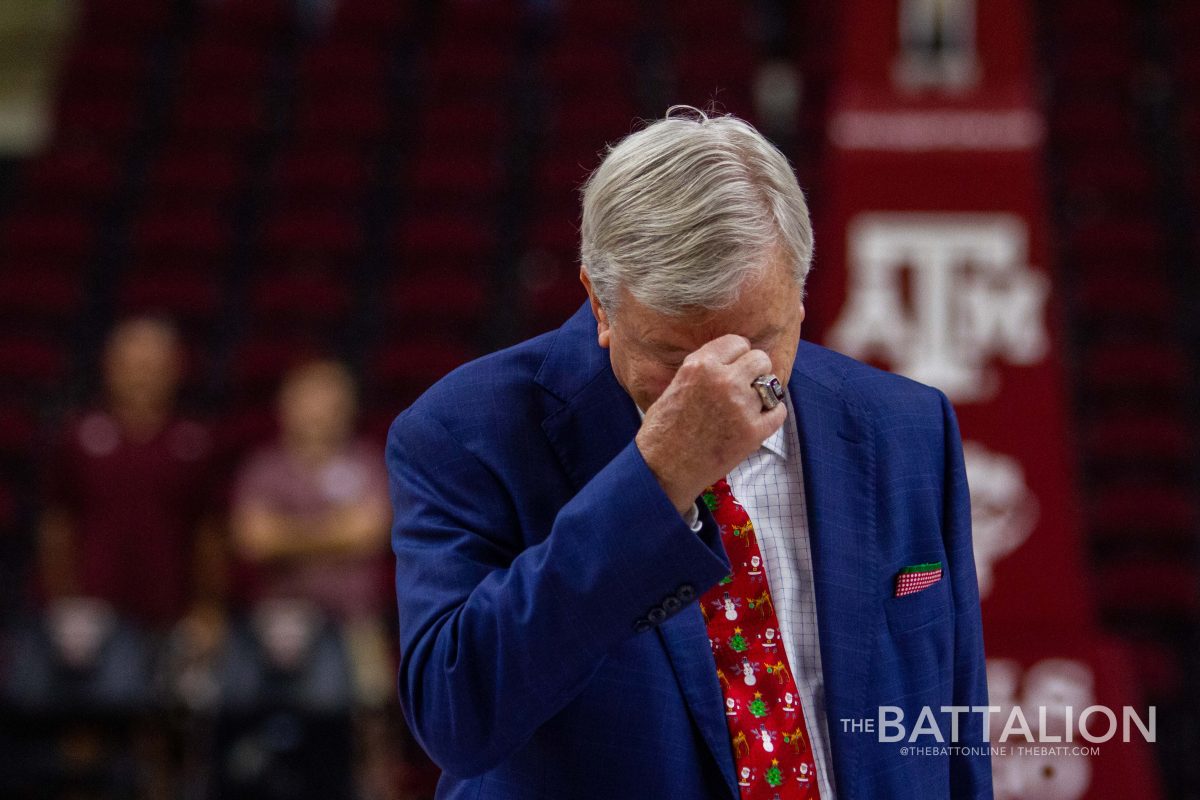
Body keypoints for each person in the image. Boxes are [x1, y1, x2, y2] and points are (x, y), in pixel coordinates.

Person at [386, 107, 991, 799]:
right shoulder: (465, 431)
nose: (722, 378)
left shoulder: (905, 425)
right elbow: (457, 718)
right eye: (676, 354)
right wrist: (655, 481)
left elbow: (953, 723)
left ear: (800, 292)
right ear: (600, 304)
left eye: (760, 337)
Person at [38, 316, 222, 633]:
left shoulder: (196, 443)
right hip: (90, 612)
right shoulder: (78, 436)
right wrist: (61, 601)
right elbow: (57, 525)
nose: (142, 377)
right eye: (133, 366)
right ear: (110, 368)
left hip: (171, 611)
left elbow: (210, 532)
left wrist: (208, 607)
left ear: (175, 370)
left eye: (153, 367)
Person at [230, 358, 393, 704]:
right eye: (308, 400)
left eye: (329, 401)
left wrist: (286, 535)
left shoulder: (366, 463)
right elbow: (254, 539)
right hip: (274, 622)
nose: (318, 412)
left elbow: (369, 533)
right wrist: (336, 532)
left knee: (370, 707)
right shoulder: (263, 467)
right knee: (246, 705)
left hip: (353, 621)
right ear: (286, 407)